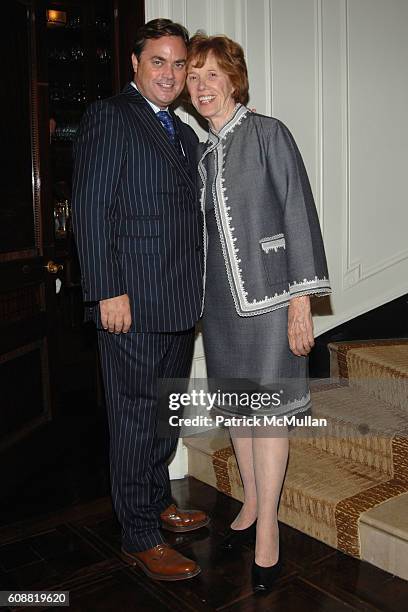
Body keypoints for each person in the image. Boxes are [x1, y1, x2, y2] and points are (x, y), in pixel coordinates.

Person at [186, 34, 331, 591]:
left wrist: (302, 302)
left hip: (273, 302)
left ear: (233, 79)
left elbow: (299, 212)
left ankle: (268, 526)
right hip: (221, 308)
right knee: (240, 413)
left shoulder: (269, 133)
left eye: (212, 75)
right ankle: (251, 503)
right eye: (194, 78)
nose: (201, 87)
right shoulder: (202, 152)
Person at [72, 19, 209, 582]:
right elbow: (90, 208)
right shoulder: (111, 116)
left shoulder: (184, 132)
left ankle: (156, 504)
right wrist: (107, 289)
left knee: (163, 416)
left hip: (178, 302)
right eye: (160, 62)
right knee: (133, 419)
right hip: (130, 302)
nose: (170, 74)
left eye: (179, 65)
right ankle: (138, 535)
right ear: (135, 64)